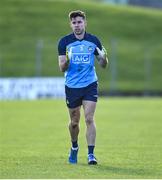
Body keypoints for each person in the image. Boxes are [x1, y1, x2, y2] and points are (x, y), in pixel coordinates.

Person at [57, 10, 108, 165]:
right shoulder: (64, 42)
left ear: (85, 23)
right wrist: (68, 61)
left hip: (90, 84)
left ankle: (91, 154)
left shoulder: (93, 41)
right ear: (70, 24)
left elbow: (103, 64)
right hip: (72, 86)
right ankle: (74, 147)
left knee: (89, 118)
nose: (77, 25)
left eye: (79, 22)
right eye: (74, 23)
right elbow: (61, 68)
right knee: (74, 122)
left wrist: (104, 59)